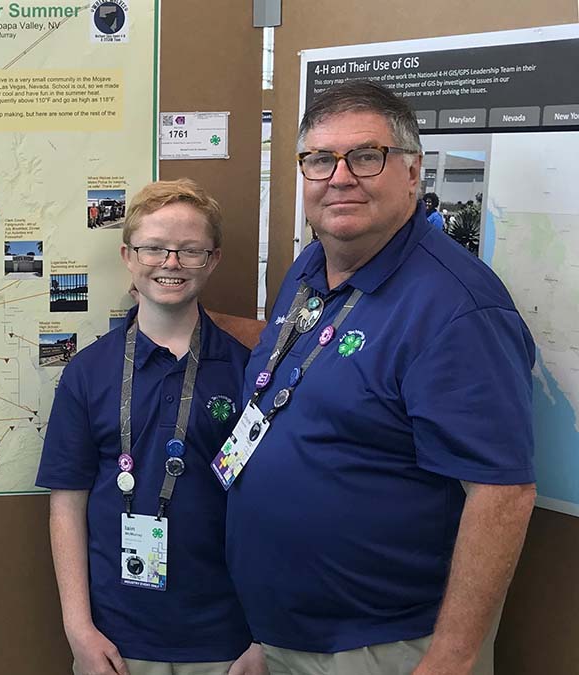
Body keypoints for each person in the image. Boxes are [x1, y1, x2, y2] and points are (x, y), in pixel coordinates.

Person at [225, 80, 535, 675]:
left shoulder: (456, 309)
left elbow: (503, 494)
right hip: (288, 632)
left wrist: (451, 658)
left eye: (367, 156)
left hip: (386, 646)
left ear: (413, 173)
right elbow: (292, 361)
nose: (340, 177)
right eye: (320, 159)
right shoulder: (315, 264)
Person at [37, 179, 266, 675]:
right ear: (127, 255)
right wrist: (79, 631)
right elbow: (66, 506)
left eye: (190, 250)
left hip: (227, 642)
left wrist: (263, 637)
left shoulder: (248, 372)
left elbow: (271, 509)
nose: (171, 263)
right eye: (155, 248)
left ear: (213, 259)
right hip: (115, 643)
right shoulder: (87, 372)